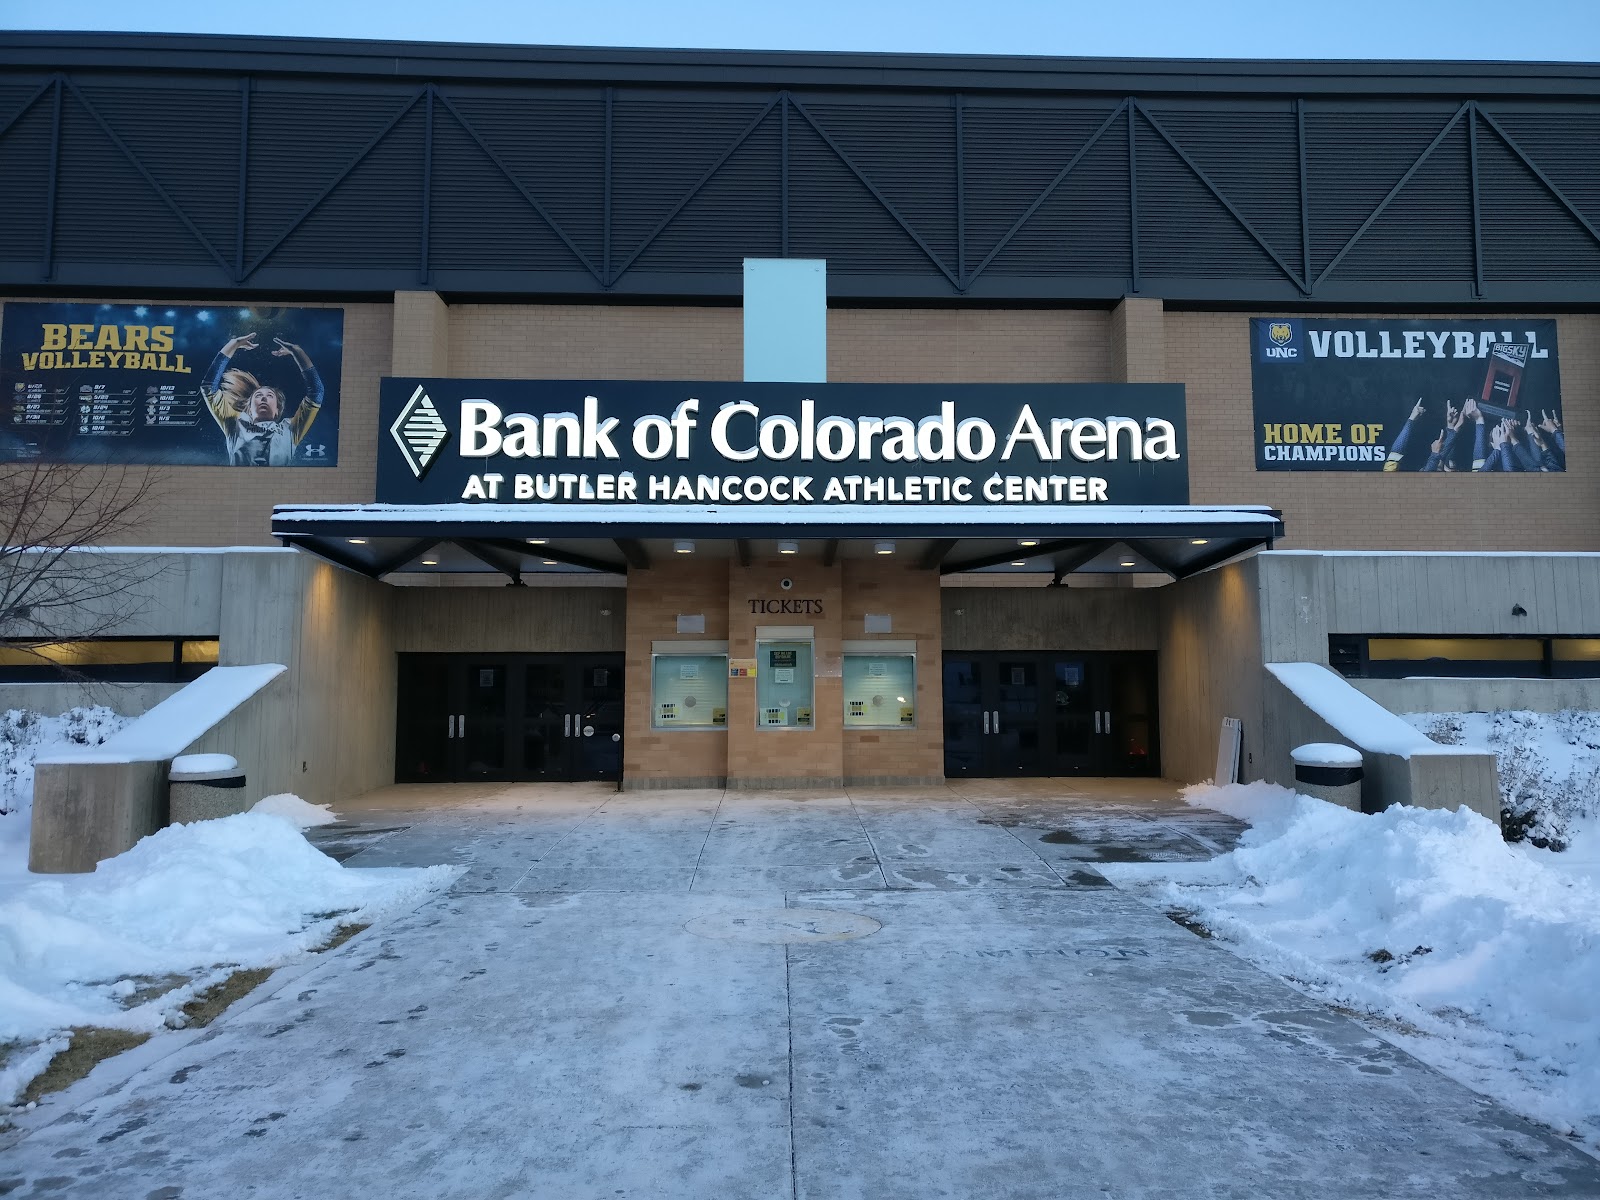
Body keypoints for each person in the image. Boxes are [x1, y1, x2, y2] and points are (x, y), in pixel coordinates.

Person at [200, 332, 324, 466]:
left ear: (277, 409)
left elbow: (317, 392)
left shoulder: (290, 429)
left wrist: (297, 352)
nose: (264, 398)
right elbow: (208, 387)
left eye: (270, 396)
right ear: (249, 407)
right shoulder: (235, 422)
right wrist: (233, 344)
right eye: (258, 396)